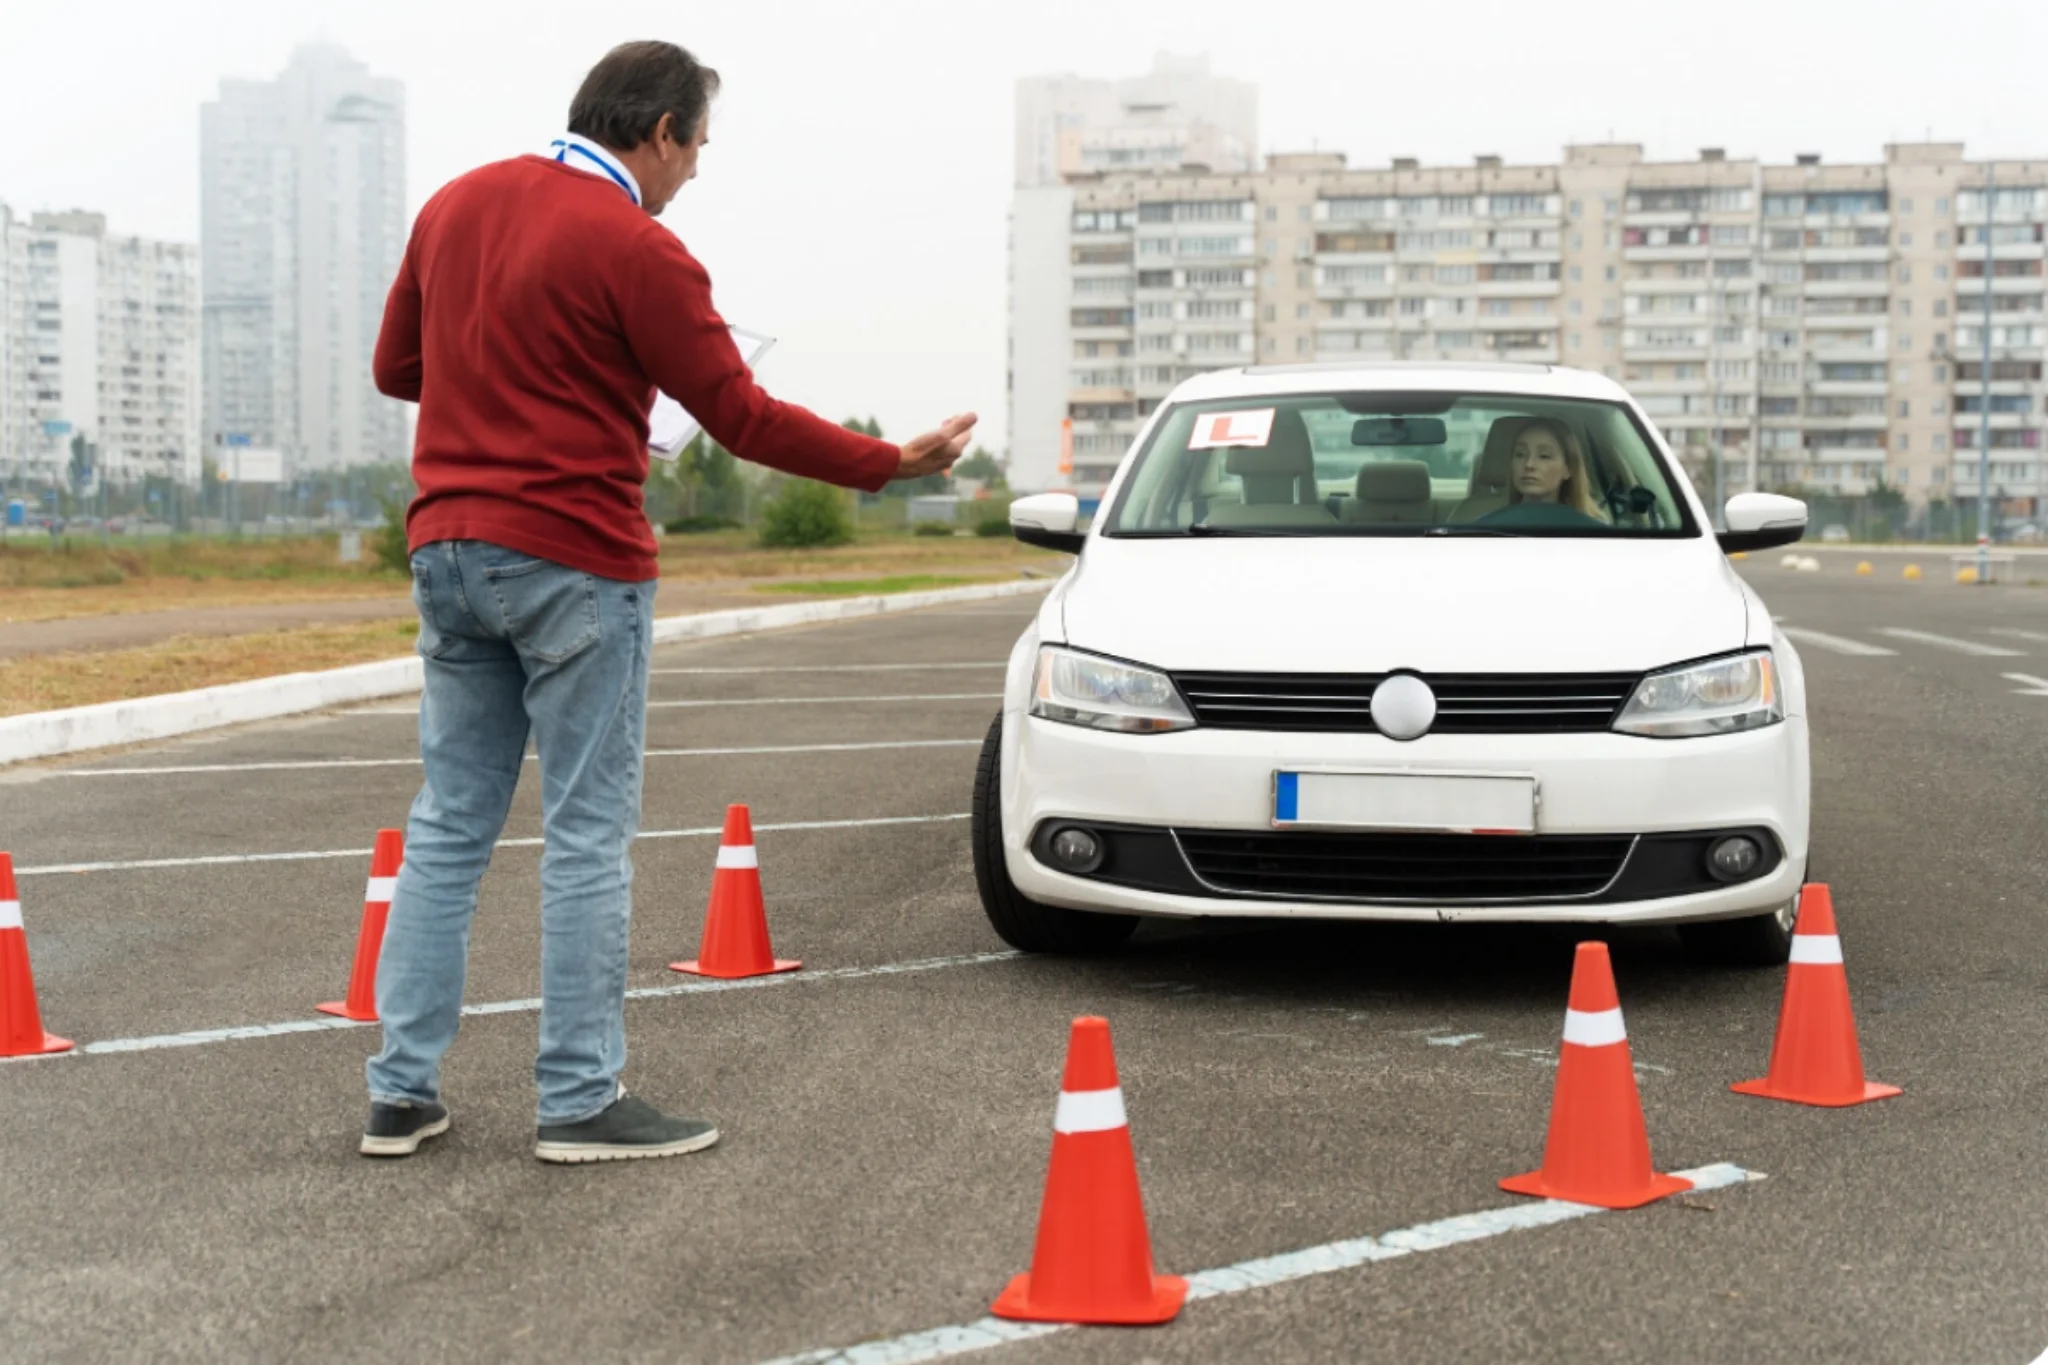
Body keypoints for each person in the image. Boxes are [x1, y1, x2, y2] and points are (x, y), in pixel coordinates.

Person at [361, 39, 973, 1164]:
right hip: (573, 559)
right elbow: (739, 415)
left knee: (449, 829)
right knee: (587, 835)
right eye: (696, 148)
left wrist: (514, 376)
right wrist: (890, 460)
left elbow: (398, 369)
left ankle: (400, 1094)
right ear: (657, 133)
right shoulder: (639, 246)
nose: (694, 172)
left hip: (447, 551)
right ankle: (579, 1100)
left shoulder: (454, 205)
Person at [1487, 418, 1609, 525]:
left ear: (1568, 469)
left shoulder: (1595, 533)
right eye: (1520, 454)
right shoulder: (1485, 528)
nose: (1529, 464)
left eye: (1544, 456)